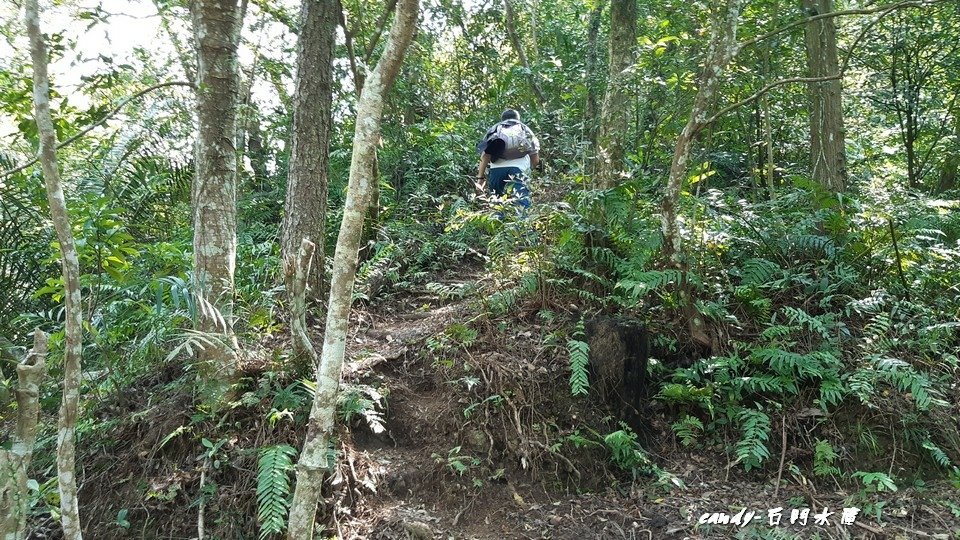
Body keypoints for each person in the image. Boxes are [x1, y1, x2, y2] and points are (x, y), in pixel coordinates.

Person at [475, 109, 540, 209]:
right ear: (518, 119)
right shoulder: (524, 129)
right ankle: (522, 223)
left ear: (502, 119)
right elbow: (535, 159)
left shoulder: (494, 129)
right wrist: (531, 171)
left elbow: (485, 156)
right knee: (522, 203)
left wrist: (480, 179)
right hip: (519, 169)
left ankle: (499, 221)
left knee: (497, 204)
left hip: (496, 171)